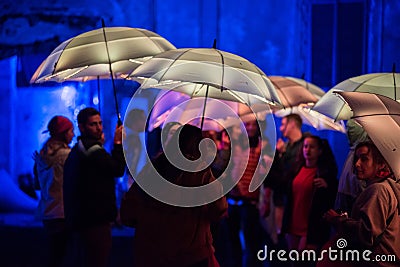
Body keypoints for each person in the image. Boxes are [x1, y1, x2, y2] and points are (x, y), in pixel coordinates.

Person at [120, 124, 227, 267]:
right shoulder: (201, 175)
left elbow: (128, 213)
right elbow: (219, 208)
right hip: (191, 255)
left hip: (152, 254)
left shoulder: (150, 172)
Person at [63, 107, 125, 267]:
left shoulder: (81, 148)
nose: (98, 128)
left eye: (100, 123)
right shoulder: (92, 151)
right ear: (82, 127)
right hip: (95, 222)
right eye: (93, 124)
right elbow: (117, 169)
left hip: (83, 220)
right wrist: (118, 143)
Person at [323, 141, 400, 267]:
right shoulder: (385, 187)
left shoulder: (378, 190)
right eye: (357, 158)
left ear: (381, 163)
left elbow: (367, 234)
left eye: (364, 159)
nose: (357, 164)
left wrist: (338, 220)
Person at [283, 135, 338, 257]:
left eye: (312, 147)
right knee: (293, 262)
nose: (307, 150)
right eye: (305, 146)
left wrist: (327, 186)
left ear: (319, 151)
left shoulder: (324, 173)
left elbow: (332, 199)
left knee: (305, 262)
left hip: (311, 228)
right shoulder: (296, 169)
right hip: (292, 226)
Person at [33, 115, 74, 267]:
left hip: (48, 213)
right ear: (63, 133)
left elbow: (37, 184)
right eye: (70, 131)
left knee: (53, 256)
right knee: (63, 257)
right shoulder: (67, 156)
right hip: (63, 213)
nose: (73, 135)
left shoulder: (42, 155)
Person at [224, 120, 265, 267]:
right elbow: (229, 169)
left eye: (254, 125)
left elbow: (263, 174)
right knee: (232, 240)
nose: (251, 128)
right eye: (248, 125)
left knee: (251, 241)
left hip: (250, 202)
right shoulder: (236, 144)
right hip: (233, 200)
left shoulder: (262, 146)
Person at [264, 114, 304, 241]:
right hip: (280, 200)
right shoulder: (286, 147)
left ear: (292, 124)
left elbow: (285, 175)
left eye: (283, 124)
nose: (281, 129)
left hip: (293, 202)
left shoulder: (303, 148)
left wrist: (276, 155)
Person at [334, 119, 369, 213]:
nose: (349, 132)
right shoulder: (357, 154)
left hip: (349, 209)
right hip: (352, 208)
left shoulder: (355, 154)